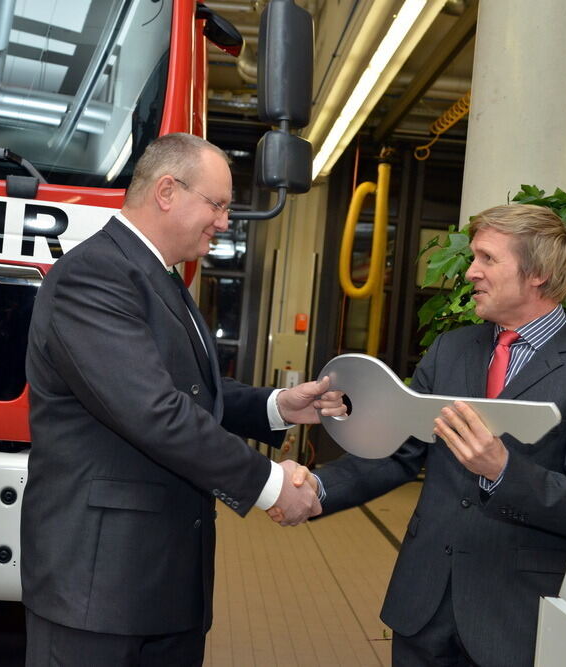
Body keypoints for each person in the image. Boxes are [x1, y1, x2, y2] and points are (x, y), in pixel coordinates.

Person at [21, 133, 345, 666]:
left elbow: (189, 391)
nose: (224, 222)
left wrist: (278, 406)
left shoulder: (160, 277)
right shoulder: (94, 275)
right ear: (167, 190)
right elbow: (153, 411)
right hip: (98, 588)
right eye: (217, 204)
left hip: (161, 585)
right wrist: (270, 485)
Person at [303, 204, 566, 666]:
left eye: (486, 258)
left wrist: (503, 471)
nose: (470, 273)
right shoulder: (451, 350)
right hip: (422, 606)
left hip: (513, 617)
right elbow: (400, 452)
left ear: (538, 272)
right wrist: (315, 488)